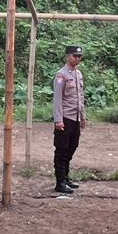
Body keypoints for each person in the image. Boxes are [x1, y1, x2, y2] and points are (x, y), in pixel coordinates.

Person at [52, 44, 86, 196]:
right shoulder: (61, 75)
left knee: (72, 147)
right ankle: (60, 182)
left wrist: (83, 116)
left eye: (79, 56)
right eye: (75, 56)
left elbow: (80, 97)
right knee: (62, 150)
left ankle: (66, 177)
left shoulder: (78, 74)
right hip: (65, 118)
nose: (77, 58)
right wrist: (58, 120)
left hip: (75, 117)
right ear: (67, 56)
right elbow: (58, 98)